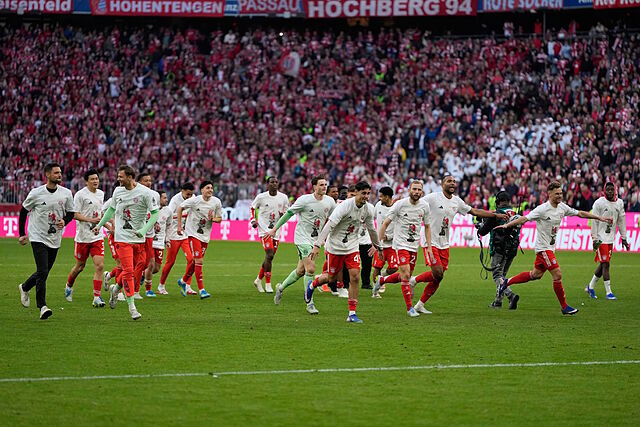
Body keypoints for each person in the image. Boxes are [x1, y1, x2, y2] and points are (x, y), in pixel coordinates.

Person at [496, 180, 612, 315]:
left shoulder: (562, 207)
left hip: (550, 248)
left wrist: (599, 218)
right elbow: (524, 219)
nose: (560, 196)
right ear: (549, 194)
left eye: (561, 193)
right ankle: (564, 307)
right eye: (557, 194)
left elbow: (580, 213)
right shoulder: (542, 209)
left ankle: (505, 282)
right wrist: (507, 225)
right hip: (543, 248)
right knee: (557, 274)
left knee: (535, 275)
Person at [409, 174, 508, 313]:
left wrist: (494, 214)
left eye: (454, 182)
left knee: (439, 277)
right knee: (437, 273)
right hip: (430, 242)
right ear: (442, 184)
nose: (452, 183)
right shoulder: (432, 198)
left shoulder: (457, 201)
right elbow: (415, 202)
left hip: (444, 244)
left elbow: (473, 211)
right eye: (449, 181)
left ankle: (420, 304)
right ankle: (413, 280)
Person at [308, 180, 382, 323]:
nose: (366, 196)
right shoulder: (345, 206)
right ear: (357, 193)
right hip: (335, 246)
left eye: (368, 193)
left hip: (352, 246)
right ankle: (312, 285)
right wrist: (317, 245)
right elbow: (330, 225)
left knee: (355, 276)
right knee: (331, 278)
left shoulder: (368, 209)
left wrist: (378, 246)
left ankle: (352, 313)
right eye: (363, 193)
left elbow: (372, 229)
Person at [94, 165, 159, 320]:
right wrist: (99, 225)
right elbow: (111, 210)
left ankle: (116, 289)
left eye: (121, 176)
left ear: (130, 177)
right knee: (128, 271)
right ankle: (132, 308)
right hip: (122, 238)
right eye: (118, 176)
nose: (118, 179)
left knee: (140, 266)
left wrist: (143, 230)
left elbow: (155, 214)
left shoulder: (146, 193)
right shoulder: (118, 191)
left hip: (139, 238)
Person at [268, 175, 336, 307]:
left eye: (325, 184)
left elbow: (333, 219)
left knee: (300, 271)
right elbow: (288, 214)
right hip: (302, 238)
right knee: (310, 269)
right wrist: (275, 229)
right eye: (321, 185)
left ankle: (281, 288)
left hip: (315, 240)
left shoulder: (330, 202)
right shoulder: (304, 200)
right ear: (314, 186)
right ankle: (309, 303)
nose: (324, 187)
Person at [18, 163, 75, 320]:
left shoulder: (66, 193)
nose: (59, 175)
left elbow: (71, 213)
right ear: (47, 175)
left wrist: (65, 220)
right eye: (56, 172)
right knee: (42, 271)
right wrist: (22, 233)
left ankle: (25, 287)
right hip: (37, 236)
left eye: (60, 172)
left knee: (44, 271)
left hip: (55, 238)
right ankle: (42, 306)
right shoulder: (36, 193)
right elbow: (23, 211)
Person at [373, 180, 433, 316]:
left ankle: (382, 280)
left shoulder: (425, 206)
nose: (417, 192)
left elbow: (428, 226)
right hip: (400, 245)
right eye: (414, 189)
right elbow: (385, 224)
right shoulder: (400, 205)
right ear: (409, 190)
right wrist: (379, 245)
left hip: (414, 245)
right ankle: (409, 308)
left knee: (405, 276)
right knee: (406, 274)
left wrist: (429, 246)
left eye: (419, 190)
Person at [63, 169, 106, 307]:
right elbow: (74, 214)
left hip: (97, 236)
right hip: (82, 237)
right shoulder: (80, 195)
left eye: (97, 179)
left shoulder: (101, 194)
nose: (95, 181)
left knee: (99, 266)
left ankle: (97, 297)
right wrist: (91, 220)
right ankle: (69, 285)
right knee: (80, 266)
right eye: (92, 179)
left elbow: (100, 213)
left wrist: (107, 225)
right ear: (86, 181)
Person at [176, 181, 222, 299]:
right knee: (199, 261)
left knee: (194, 263)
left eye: (212, 188)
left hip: (205, 236)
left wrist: (214, 219)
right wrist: (179, 226)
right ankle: (202, 290)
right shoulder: (194, 200)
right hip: (193, 234)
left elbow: (219, 219)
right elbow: (180, 208)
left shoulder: (216, 202)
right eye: (207, 188)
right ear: (201, 190)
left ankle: (183, 280)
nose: (210, 190)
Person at [477, 191, 521, 309]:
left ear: (497, 202)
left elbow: (483, 231)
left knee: (497, 275)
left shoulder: (497, 214)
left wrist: (479, 226)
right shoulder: (514, 213)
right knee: (502, 275)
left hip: (500, 249)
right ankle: (498, 302)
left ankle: (510, 295)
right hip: (512, 249)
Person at [585, 181, 629, 300]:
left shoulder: (619, 203)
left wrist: (624, 238)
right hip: (600, 238)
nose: (610, 192)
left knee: (603, 264)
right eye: (608, 190)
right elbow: (594, 221)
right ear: (604, 190)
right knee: (606, 264)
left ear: (615, 190)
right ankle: (608, 292)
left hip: (610, 238)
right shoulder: (599, 203)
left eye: (612, 190)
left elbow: (621, 221)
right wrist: (594, 238)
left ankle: (590, 287)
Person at [250, 176, 289, 293]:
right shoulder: (261, 197)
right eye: (272, 182)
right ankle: (268, 283)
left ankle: (258, 280)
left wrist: (284, 216)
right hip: (264, 230)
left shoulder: (283, 198)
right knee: (270, 254)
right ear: (267, 185)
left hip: (276, 231)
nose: (274, 184)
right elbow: (252, 208)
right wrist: (253, 220)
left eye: (276, 182)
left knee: (269, 257)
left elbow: (287, 212)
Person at [159, 182, 195, 295]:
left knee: (192, 260)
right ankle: (161, 285)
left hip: (185, 234)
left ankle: (187, 285)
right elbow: (168, 215)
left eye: (191, 195)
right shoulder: (175, 200)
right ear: (182, 191)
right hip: (174, 234)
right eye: (187, 194)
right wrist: (183, 215)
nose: (189, 197)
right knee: (170, 262)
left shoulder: (193, 198)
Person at [136, 172, 161, 298]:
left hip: (149, 234)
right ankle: (131, 290)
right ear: (139, 182)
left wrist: (156, 223)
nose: (149, 183)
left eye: (150, 180)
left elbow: (155, 212)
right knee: (138, 262)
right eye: (145, 180)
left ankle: (142, 284)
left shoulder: (155, 195)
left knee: (149, 264)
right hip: (138, 234)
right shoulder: (135, 193)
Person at [371, 186, 397, 298]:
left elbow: (400, 226)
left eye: (381, 196)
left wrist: (390, 236)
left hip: (392, 245)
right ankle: (375, 292)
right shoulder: (378, 206)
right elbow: (371, 218)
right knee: (377, 267)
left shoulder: (396, 208)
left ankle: (382, 277)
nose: (379, 198)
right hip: (380, 244)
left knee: (394, 267)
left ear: (387, 197)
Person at [144, 190, 172, 295]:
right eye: (164, 198)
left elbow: (169, 226)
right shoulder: (149, 209)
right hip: (150, 241)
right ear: (158, 199)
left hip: (160, 242)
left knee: (156, 268)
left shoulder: (168, 211)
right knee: (150, 266)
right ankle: (148, 290)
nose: (166, 199)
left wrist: (167, 239)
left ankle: (143, 275)